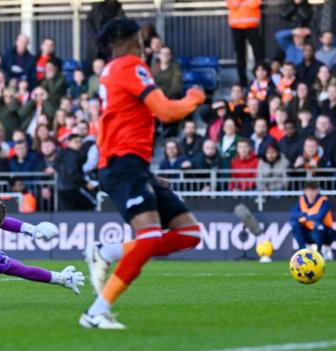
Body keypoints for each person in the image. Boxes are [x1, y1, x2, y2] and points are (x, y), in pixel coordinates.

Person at [80, 18, 205, 329]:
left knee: (189, 235)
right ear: (132, 40)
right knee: (148, 238)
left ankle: (105, 251)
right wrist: (194, 98)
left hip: (132, 166)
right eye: (140, 38)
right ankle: (96, 312)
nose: (144, 44)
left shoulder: (110, 70)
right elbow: (167, 111)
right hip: (123, 164)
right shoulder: (130, 64)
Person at [290, 182, 336, 260]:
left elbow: (319, 216)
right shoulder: (302, 200)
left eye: (313, 191)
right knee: (294, 224)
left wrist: (306, 217)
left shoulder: (323, 201)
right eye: (308, 191)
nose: (311, 193)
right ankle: (303, 251)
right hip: (308, 232)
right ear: (305, 191)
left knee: (318, 225)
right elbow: (292, 214)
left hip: (326, 233)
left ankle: (319, 252)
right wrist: (305, 214)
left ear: (317, 191)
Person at [225, 0, 264, 87]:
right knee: (240, 55)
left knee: (258, 53)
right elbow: (231, 4)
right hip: (236, 26)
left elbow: (255, 3)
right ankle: (242, 81)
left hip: (251, 25)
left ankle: (260, 78)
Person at [56, 134, 96, 211]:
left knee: (69, 213)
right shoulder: (72, 155)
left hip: (62, 188)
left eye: (80, 141)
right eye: (75, 141)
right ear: (69, 143)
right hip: (72, 188)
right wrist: (85, 183)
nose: (78, 144)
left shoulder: (63, 153)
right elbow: (72, 173)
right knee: (92, 206)